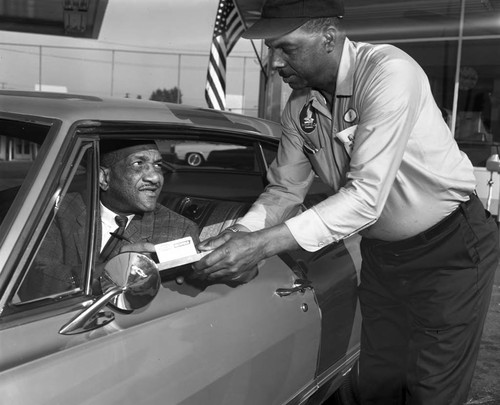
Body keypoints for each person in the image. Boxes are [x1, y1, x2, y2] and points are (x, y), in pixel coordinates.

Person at [192, 0, 499, 404]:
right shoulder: (299, 108)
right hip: (382, 254)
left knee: (432, 389)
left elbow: (366, 197)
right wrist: (243, 232)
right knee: (376, 383)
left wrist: (263, 245)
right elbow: (285, 190)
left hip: (450, 249)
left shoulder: (388, 73)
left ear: (329, 37)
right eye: (271, 50)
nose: (277, 62)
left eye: (287, 48)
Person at [20, 139, 199, 300]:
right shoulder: (60, 211)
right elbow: (35, 281)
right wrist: (109, 271)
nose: (155, 177)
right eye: (138, 163)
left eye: (158, 165)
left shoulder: (179, 231)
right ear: (103, 177)